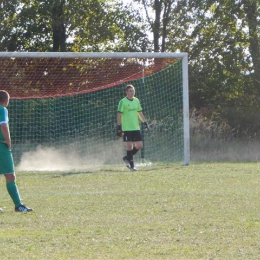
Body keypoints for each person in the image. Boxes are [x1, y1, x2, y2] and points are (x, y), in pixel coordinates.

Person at [0, 90, 33, 213]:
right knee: (10, 175)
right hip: (1, 147)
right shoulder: (3, 110)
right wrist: (8, 141)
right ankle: (18, 205)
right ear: (7, 101)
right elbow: (3, 125)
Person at [117, 84, 149, 171]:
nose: (132, 92)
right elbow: (119, 114)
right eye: (130, 91)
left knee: (139, 145)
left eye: (133, 90)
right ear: (126, 92)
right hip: (127, 128)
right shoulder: (122, 102)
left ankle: (127, 157)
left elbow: (140, 112)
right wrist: (119, 127)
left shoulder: (136, 100)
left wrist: (145, 123)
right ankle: (132, 166)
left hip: (136, 127)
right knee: (129, 147)